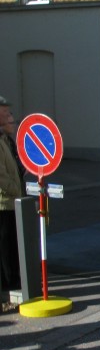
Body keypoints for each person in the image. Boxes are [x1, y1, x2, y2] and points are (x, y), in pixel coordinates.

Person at [0, 96, 22, 293]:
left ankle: (13, 279)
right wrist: (17, 189)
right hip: (4, 203)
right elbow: (1, 177)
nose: (11, 118)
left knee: (13, 243)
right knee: (6, 245)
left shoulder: (6, 140)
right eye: (6, 114)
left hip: (11, 201)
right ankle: (9, 283)